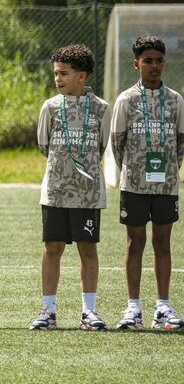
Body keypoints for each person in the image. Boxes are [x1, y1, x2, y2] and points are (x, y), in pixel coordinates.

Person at [30, 44, 110, 331]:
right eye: (55, 73)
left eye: (64, 73)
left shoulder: (101, 108)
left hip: (87, 195)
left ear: (82, 76)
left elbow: (102, 145)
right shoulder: (50, 107)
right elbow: (44, 145)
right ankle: (48, 311)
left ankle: (89, 311)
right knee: (53, 247)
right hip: (55, 191)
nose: (58, 79)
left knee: (87, 248)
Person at [110, 36, 184, 330]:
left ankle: (163, 307)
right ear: (136, 64)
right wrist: (132, 170)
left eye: (159, 61)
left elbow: (180, 143)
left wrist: (169, 170)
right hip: (134, 185)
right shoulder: (126, 100)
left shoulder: (176, 100)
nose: (154, 66)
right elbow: (117, 142)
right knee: (135, 242)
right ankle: (133, 308)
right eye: (148, 61)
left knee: (163, 243)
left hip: (166, 185)